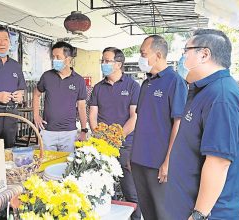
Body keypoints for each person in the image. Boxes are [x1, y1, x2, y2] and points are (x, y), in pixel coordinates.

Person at [165, 29, 239, 220]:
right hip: (185, 205)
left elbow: (218, 162)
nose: (182, 58)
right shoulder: (203, 91)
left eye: (185, 51)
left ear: (204, 54)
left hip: (211, 214)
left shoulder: (221, 96)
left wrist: (198, 215)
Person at [130, 35, 188, 220]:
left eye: (143, 53)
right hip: (139, 160)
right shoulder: (146, 83)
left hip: (159, 163)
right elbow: (142, 121)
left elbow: (178, 125)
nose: (140, 57)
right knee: (148, 213)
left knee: (163, 214)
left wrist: (168, 161)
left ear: (158, 54)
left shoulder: (175, 81)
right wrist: (133, 156)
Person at [89, 47, 141, 220]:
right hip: (101, 147)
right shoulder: (98, 87)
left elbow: (134, 117)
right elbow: (92, 115)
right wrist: (100, 138)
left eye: (106, 60)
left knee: (131, 192)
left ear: (118, 64)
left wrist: (116, 138)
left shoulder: (133, 86)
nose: (103, 64)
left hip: (126, 145)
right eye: (102, 61)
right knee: (103, 190)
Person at [33, 41, 87, 152]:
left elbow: (82, 107)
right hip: (48, 131)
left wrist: (84, 130)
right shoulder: (47, 76)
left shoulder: (79, 80)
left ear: (68, 59)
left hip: (69, 133)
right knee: (46, 165)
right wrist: (36, 115)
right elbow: (36, 94)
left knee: (67, 165)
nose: (54, 60)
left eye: (58, 57)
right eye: (53, 57)